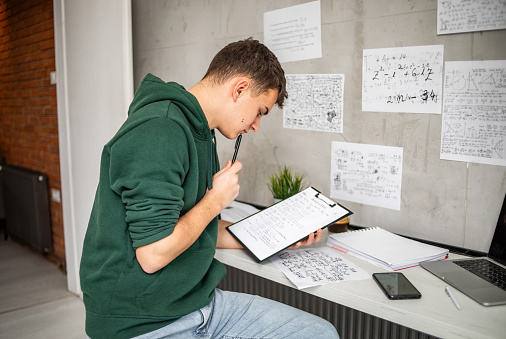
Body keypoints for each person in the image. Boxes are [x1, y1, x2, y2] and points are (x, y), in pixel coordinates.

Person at [80, 37, 339, 339]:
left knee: (319, 333)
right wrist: (215, 200)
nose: (256, 126)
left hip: (196, 304)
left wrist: (275, 236)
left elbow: (200, 229)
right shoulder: (160, 131)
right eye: (260, 111)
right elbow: (153, 255)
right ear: (240, 89)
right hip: (143, 320)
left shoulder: (202, 133)